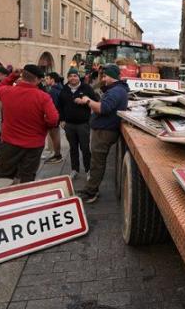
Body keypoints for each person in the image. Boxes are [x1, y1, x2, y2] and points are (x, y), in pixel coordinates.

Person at [0, 65, 59, 184]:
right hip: (33, 145)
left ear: (22, 76)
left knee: (3, 176)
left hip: (9, 143)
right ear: (38, 80)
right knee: (27, 177)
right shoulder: (43, 97)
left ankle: (3, 200)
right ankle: (24, 199)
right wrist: (43, 125)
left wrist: (13, 75)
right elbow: (53, 119)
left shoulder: (7, 92)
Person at [75, 64, 129, 204]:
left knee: (97, 163)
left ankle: (91, 192)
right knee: (96, 162)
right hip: (104, 130)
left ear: (112, 76)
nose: (103, 79)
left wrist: (87, 100)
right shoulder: (117, 89)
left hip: (104, 132)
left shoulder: (116, 91)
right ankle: (90, 188)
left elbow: (102, 108)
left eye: (105, 76)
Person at [58, 68, 97, 180]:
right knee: (73, 148)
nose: (73, 78)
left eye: (75, 76)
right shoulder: (64, 89)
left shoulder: (86, 88)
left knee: (85, 148)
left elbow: (95, 102)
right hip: (69, 124)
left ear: (78, 77)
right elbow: (60, 106)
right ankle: (75, 169)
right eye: (70, 76)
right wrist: (61, 119)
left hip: (83, 124)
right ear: (67, 77)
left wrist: (85, 101)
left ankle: (88, 170)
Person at [43, 73, 63, 164]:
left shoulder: (53, 91)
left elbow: (53, 106)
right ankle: (57, 154)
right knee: (55, 135)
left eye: (47, 78)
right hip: (58, 115)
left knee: (54, 136)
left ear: (52, 79)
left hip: (54, 116)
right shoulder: (60, 88)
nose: (46, 80)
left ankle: (57, 155)